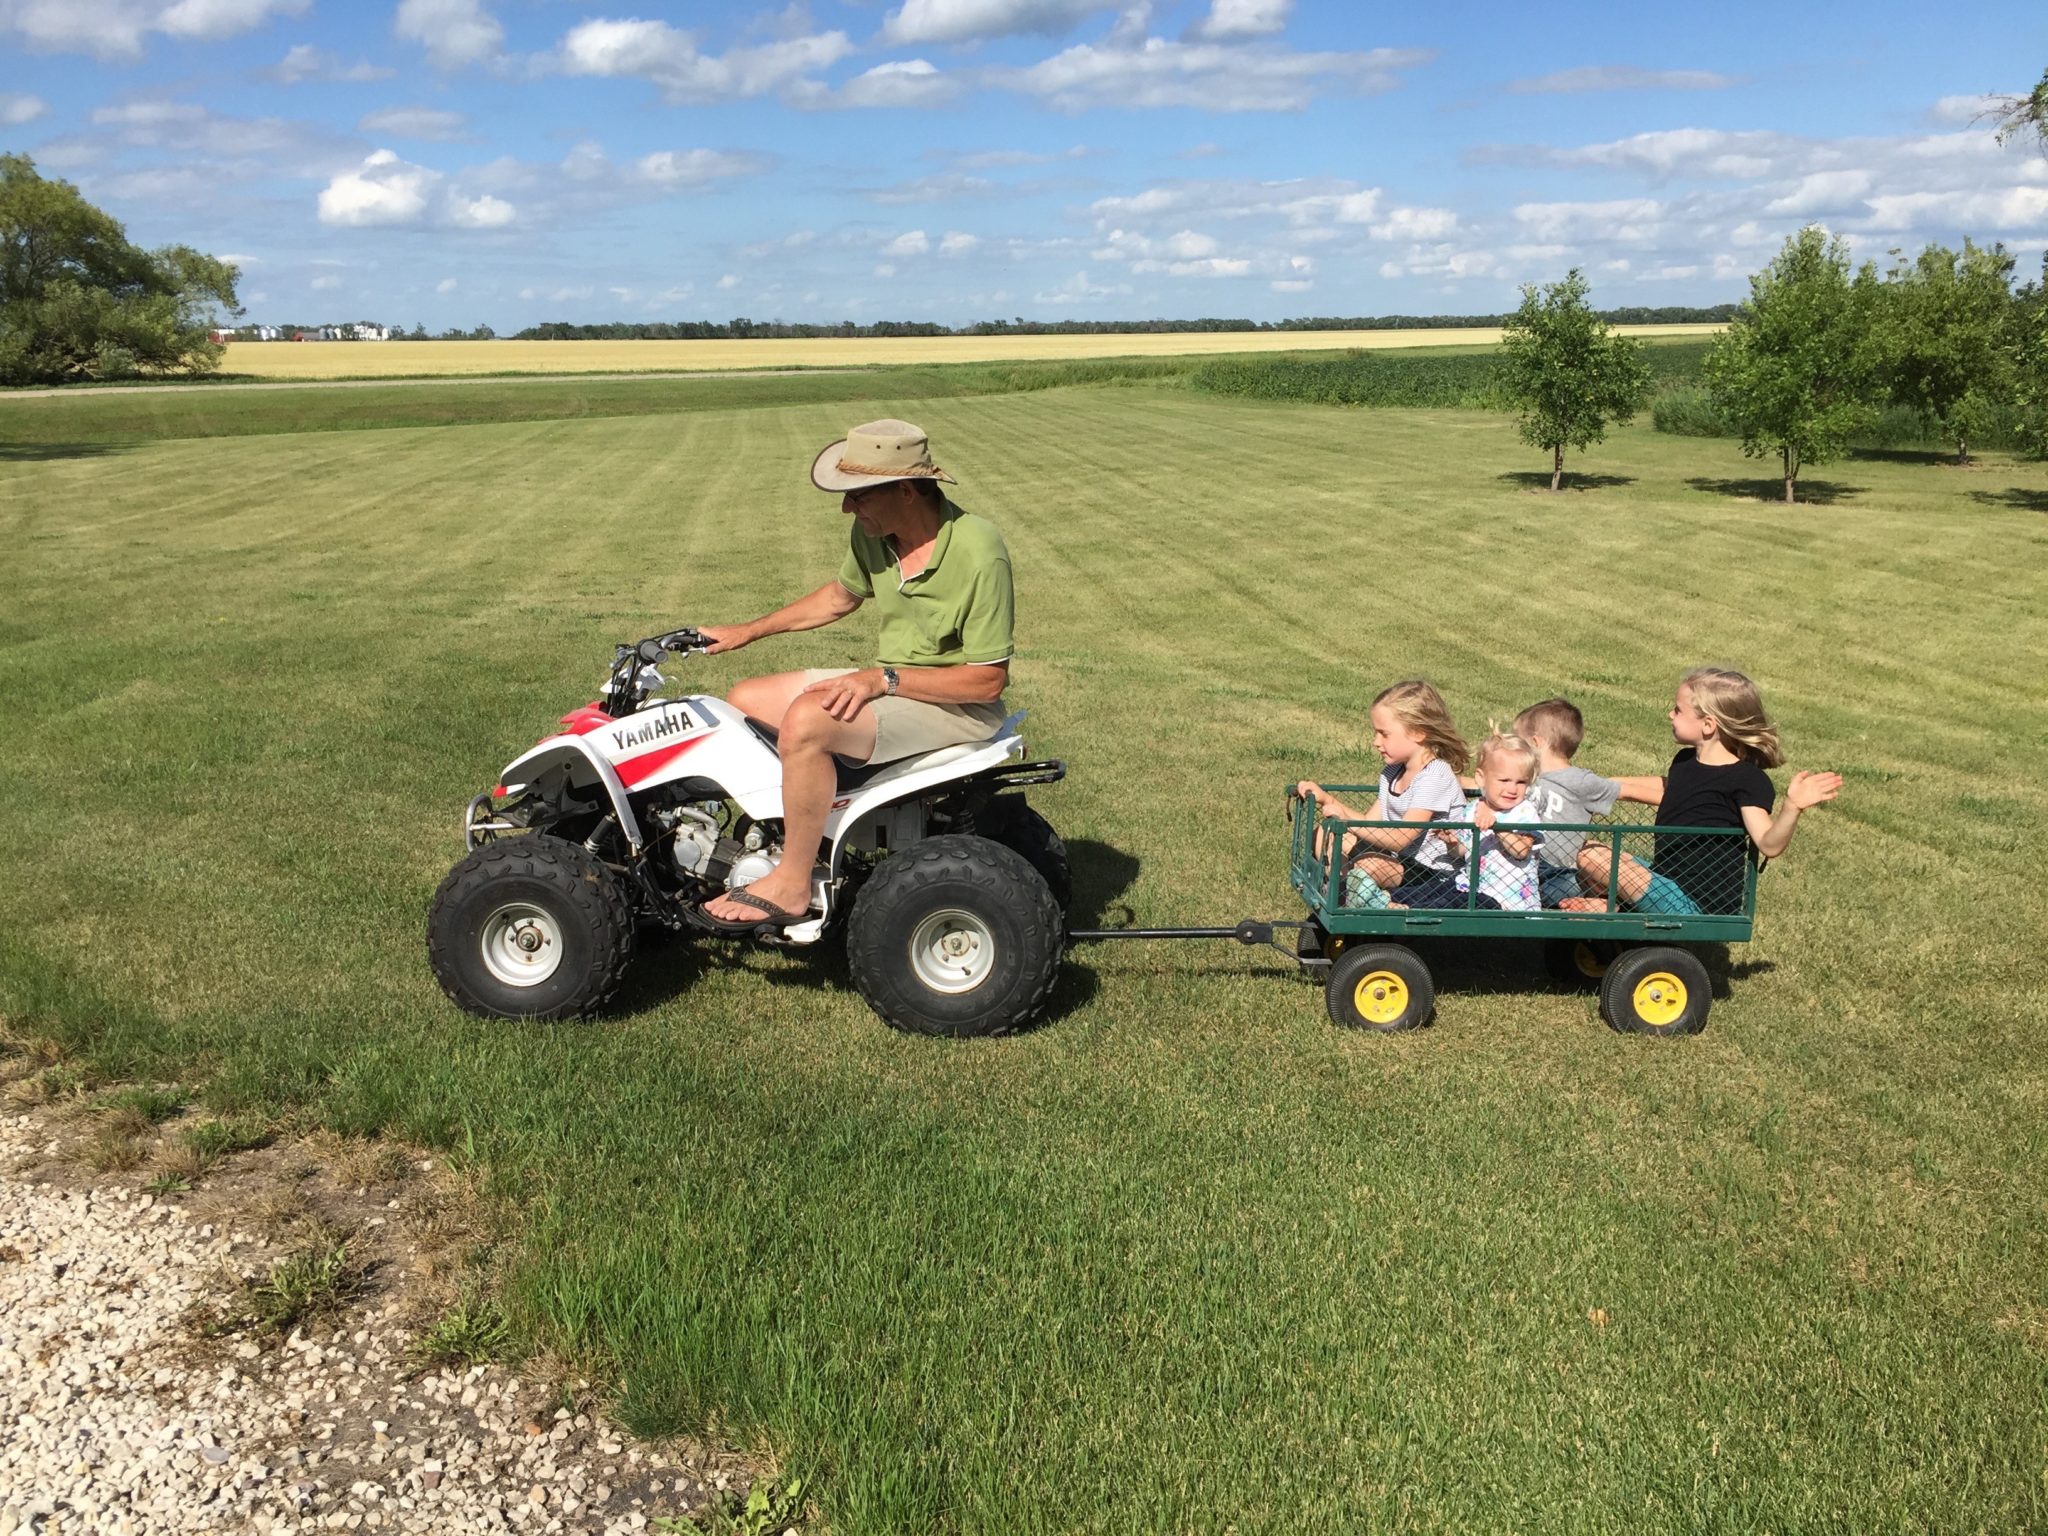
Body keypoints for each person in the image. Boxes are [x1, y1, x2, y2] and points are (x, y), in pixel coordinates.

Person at [693, 419, 1015, 931]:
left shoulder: (979, 550)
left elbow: (986, 681)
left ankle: (793, 882)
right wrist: (747, 631)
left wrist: (881, 680)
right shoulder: (876, 534)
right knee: (747, 699)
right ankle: (798, 832)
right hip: (895, 684)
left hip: (958, 705)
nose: (847, 507)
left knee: (807, 722)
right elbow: (839, 598)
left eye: (859, 494)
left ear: (906, 491)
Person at [1568, 668, 1841, 915]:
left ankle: (1617, 909)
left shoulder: (1746, 779)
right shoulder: (1685, 762)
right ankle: (1619, 907)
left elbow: (1769, 844)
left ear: (1708, 725)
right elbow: (1674, 792)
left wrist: (1792, 807)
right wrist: (1598, 784)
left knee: (1592, 857)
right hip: (1666, 881)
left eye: (1678, 710)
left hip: (1696, 902)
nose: (1670, 715)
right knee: (1585, 849)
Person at [1295, 679, 1470, 899]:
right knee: (1324, 833)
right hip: (1400, 861)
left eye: (1384, 734)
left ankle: (1343, 893)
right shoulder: (1392, 772)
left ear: (1418, 733)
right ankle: (1339, 887)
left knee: (1370, 865)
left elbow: (1401, 838)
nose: (1376, 742)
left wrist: (1344, 816)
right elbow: (1369, 824)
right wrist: (1328, 802)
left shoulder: (1434, 775)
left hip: (1433, 876)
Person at [1391, 730, 1545, 911]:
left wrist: (1498, 827)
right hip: (1470, 886)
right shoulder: (1473, 809)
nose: (1512, 789)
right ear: (1481, 778)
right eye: (1504, 780)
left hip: (1506, 901)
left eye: (1521, 782)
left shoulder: (1524, 811)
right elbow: (1463, 850)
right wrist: (1452, 843)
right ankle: (1385, 899)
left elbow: (1521, 851)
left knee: (1450, 903)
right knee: (1433, 890)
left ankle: (1413, 911)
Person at [1513, 697, 1623, 907]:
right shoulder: (1522, 777)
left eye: (1520, 744)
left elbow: (1625, 790)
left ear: (1535, 743)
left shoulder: (1580, 781)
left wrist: (1673, 794)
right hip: (1522, 864)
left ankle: (1602, 901)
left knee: (1569, 887)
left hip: (1557, 872)